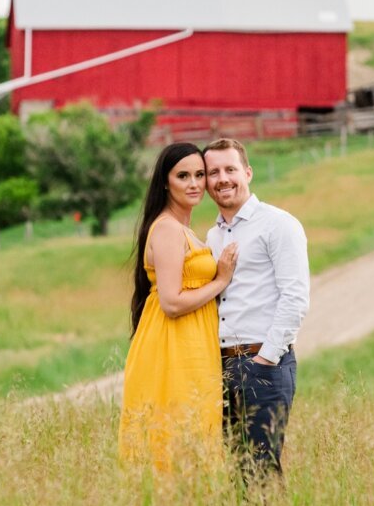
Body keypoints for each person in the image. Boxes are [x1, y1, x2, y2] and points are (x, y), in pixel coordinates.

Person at [118, 143, 239, 473]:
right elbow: (171, 302)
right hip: (174, 344)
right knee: (178, 433)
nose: (194, 183)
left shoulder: (183, 229)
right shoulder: (169, 229)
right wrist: (220, 280)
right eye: (183, 176)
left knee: (196, 430)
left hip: (191, 343)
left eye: (200, 175)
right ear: (164, 183)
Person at [203, 138, 310, 486]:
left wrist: (264, 360)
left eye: (230, 169)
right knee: (234, 468)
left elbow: (295, 297)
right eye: (213, 172)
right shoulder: (212, 236)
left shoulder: (278, 224)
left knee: (261, 468)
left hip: (263, 363)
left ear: (247, 172)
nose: (223, 178)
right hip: (221, 366)